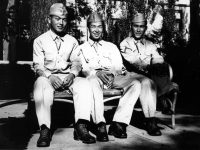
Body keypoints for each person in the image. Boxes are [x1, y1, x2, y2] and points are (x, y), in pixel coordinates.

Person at [75, 12, 162, 139]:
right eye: (93, 26)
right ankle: (101, 124)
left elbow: (118, 64)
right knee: (93, 81)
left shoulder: (111, 46)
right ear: (88, 28)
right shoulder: (81, 48)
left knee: (136, 84)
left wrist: (111, 74)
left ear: (103, 28)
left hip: (113, 77)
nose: (96, 30)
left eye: (99, 26)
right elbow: (83, 68)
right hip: (95, 78)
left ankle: (119, 123)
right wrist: (97, 73)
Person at [33, 3, 96, 147]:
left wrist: (73, 75)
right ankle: (45, 129)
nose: (61, 23)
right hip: (48, 78)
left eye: (64, 19)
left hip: (67, 77)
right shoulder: (40, 41)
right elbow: (38, 66)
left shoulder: (72, 41)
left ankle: (81, 126)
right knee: (40, 83)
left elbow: (77, 63)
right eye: (57, 18)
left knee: (84, 83)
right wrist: (50, 76)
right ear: (50, 19)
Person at [120, 13, 176, 114]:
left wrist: (158, 63)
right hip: (133, 76)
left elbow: (156, 56)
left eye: (141, 27)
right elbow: (134, 61)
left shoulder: (149, 44)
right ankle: (163, 98)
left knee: (158, 65)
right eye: (136, 26)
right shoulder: (125, 43)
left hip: (151, 75)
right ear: (131, 27)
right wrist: (150, 67)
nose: (138, 29)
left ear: (145, 28)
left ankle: (162, 98)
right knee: (154, 70)